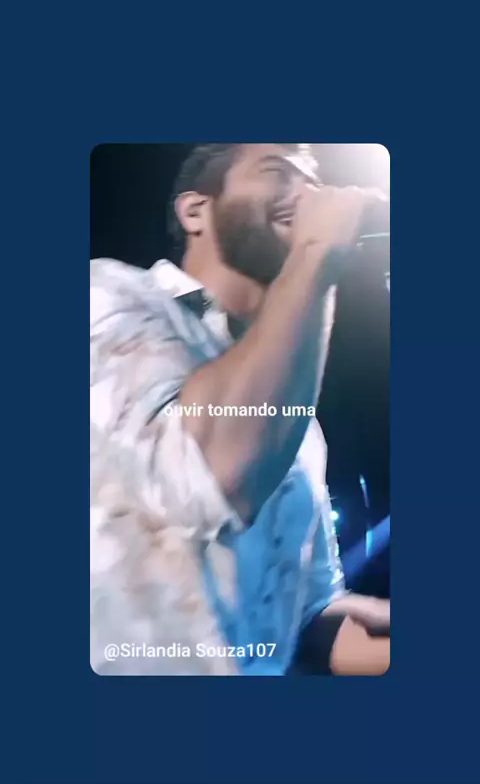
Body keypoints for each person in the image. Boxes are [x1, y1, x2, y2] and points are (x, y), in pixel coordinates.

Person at [90, 143, 390, 675]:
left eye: (313, 180)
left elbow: (304, 616)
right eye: (277, 170)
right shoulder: (109, 296)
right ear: (195, 211)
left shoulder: (298, 425)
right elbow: (211, 474)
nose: (310, 193)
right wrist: (317, 251)